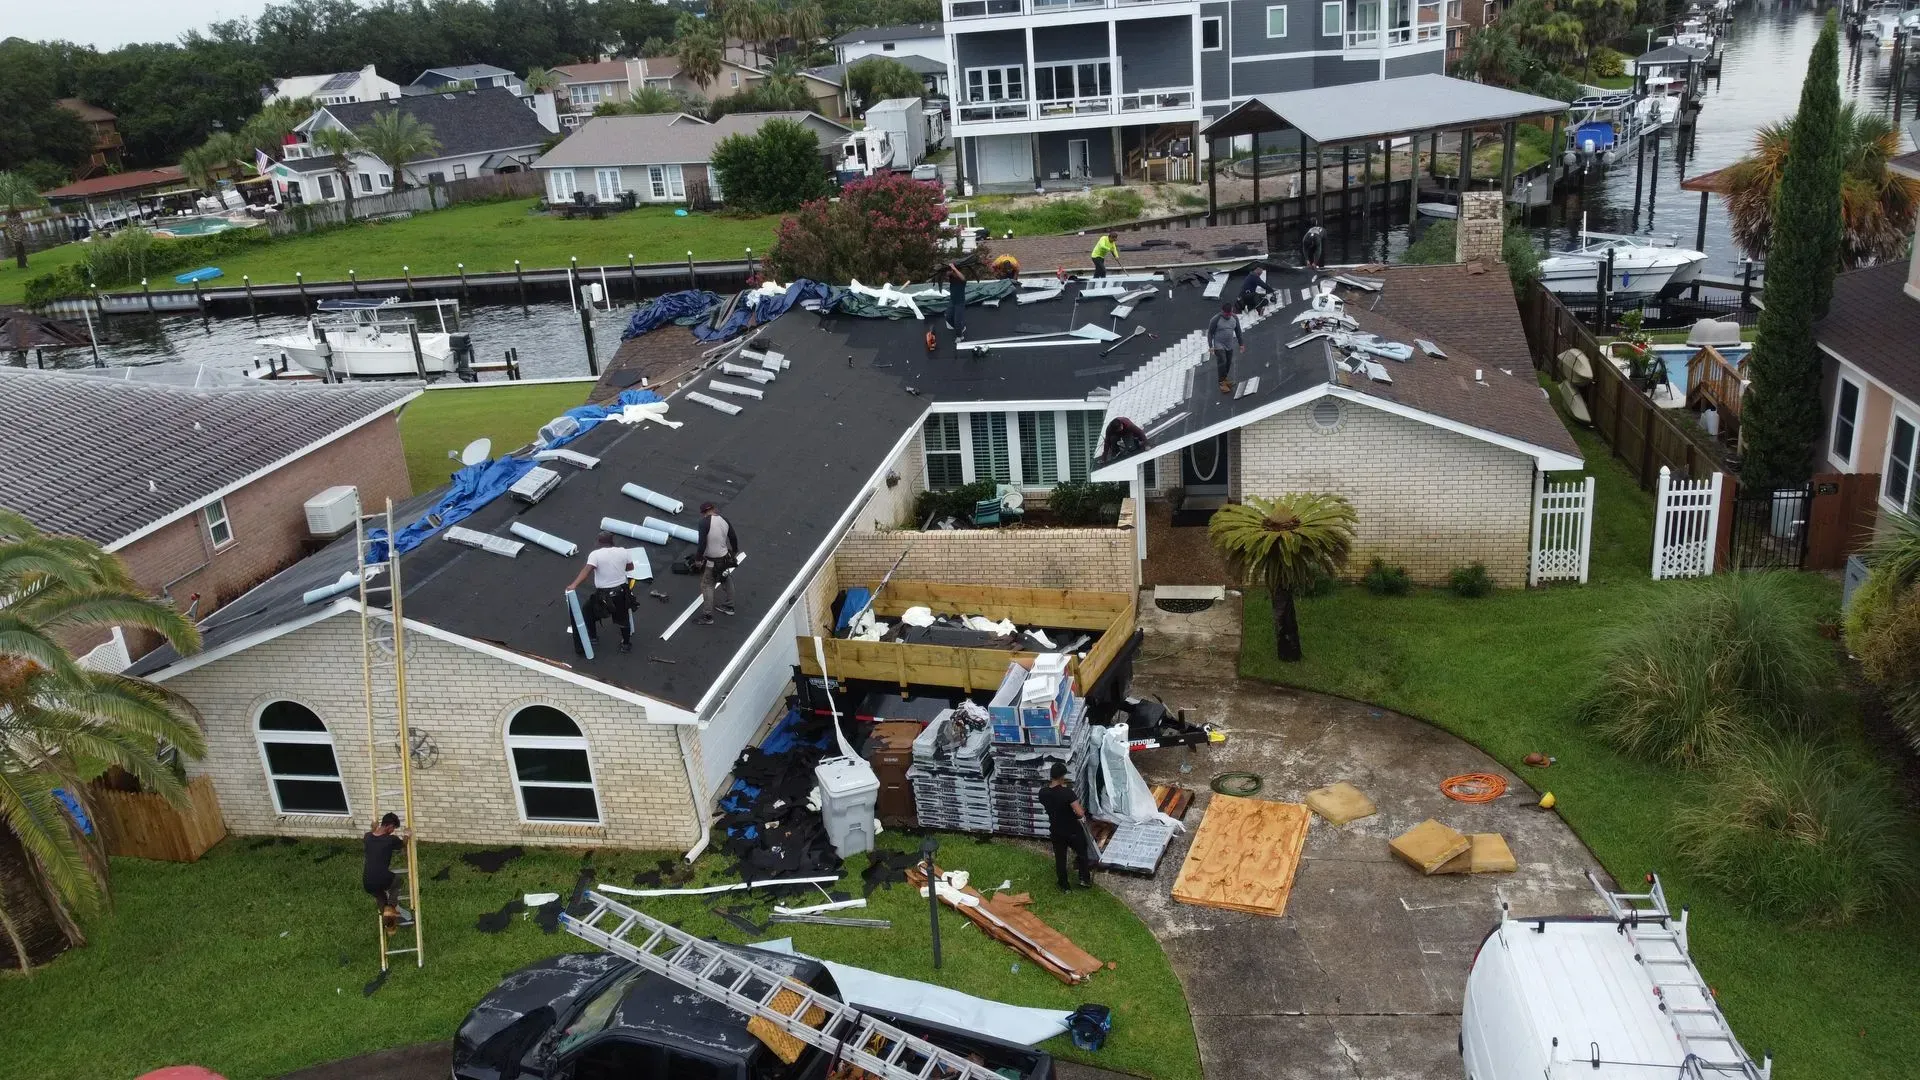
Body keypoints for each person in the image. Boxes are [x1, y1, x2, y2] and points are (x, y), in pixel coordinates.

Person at [567, 532, 637, 653]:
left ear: (599, 542)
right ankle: (626, 644)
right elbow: (630, 567)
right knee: (623, 619)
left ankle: (593, 638)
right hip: (621, 593)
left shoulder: (595, 555)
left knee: (588, 612)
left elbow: (586, 570)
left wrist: (574, 585)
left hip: (603, 596)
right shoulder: (623, 551)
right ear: (612, 542)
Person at [1037, 762, 1092, 891]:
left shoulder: (1043, 793)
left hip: (1056, 830)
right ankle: (1084, 879)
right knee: (1082, 853)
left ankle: (1064, 885)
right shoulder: (1067, 793)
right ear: (1062, 776)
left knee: (1060, 858)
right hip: (1072, 830)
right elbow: (1079, 812)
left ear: (1051, 775)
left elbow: (1053, 800)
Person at [695, 502, 742, 625]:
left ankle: (708, 616)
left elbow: (702, 544)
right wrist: (735, 551)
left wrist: (698, 559)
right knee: (726, 579)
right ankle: (729, 607)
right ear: (714, 509)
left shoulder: (703, 523)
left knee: (707, 586)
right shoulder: (724, 520)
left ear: (703, 513)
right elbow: (733, 537)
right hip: (725, 558)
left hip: (712, 561)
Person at [363, 812, 411, 931]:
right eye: (393, 828)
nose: (393, 831)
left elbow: (373, 833)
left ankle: (389, 926)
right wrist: (407, 835)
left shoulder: (367, 837)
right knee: (398, 881)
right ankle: (392, 906)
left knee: (380, 898)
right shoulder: (390, 839)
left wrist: (373, 827)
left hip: (367, 881)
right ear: (389, 825)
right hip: (382, 877)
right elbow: (403, 844)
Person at [1208, 303, 1245, 395]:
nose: (1228, 316)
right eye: (1226, 314)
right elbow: (1210, 333)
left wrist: (1241, 344)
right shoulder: (1216, 319)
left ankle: (1224, 379)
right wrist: (1211, 346)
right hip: (1218, 344)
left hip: (1229, 344)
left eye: (1230, 313)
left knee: (1228, 363)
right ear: (1222, 311)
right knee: (1222, 361)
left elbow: (1238, 331)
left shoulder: (1234, 318)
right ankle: (1221, 383)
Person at [944, 262, 968, 337]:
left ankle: (960, 336)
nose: (953, 273)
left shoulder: (962, 281)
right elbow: (947, 275)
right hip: (952, 301)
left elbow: (963, 278)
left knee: (957, 321)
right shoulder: (952, 279)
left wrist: (954, 268)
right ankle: (961, 327)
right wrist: (950, 271)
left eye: (954, 272)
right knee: (948, 317)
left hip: (960, 302)